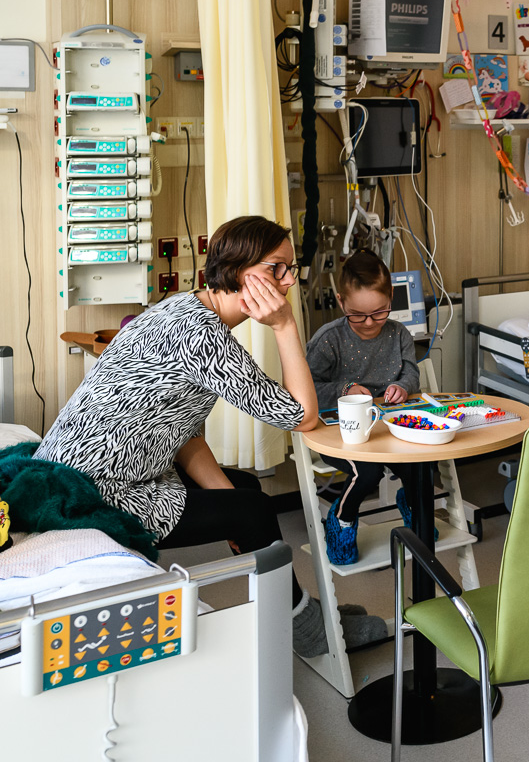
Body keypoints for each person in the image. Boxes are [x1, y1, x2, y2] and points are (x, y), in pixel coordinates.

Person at [34, 216, 386, 657]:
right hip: (96, 495)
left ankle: (291, 610)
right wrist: (284, 326)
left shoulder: (182, 307)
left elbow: (182, 435)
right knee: (254, 508)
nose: (289, 280)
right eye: (278, 268)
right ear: (241, 272)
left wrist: (229, 507)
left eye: (290, 269)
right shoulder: (202, 336)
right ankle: (307, 629)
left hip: (75, 475)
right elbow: (303, 416)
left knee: (245, 492)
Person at [306, 250, 421, 565]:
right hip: (340, 432)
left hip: (387, 426)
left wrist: (402, 386)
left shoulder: (398, 334)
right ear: (342, 302)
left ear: (391, 299)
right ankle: (341, 520)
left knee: (419, 465)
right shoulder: (329, 340)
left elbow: (411, 372)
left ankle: (413, 510)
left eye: (379, 313)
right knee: (366, 473)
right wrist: (343, 389)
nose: (369, 323)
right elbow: (305, 389)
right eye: (357, 314)